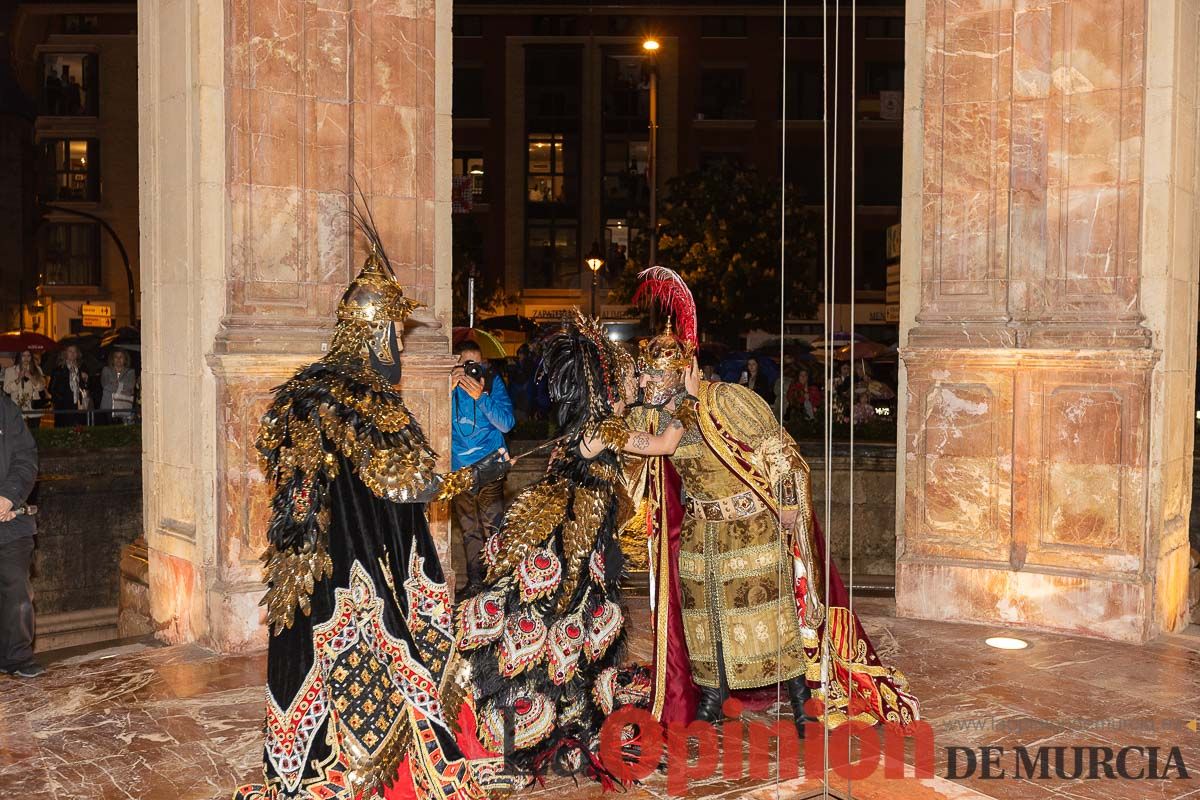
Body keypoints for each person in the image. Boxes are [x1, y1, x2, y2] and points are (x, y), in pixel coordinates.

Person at [234, 208, 513, 800]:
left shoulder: (303, 391)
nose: (399, 350)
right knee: (379, 673)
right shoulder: (368, 401)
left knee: (309, 667)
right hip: (359, 574)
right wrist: (478, 474)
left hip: (303, 578)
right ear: (378, 333)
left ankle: (302, 772)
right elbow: (410, 485)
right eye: (396, 335)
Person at [624, 267, 919, 737]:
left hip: (753, 531)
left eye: (654, 378)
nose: (647, 387)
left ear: (682, 372)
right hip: (702, 537)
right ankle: (714, 697)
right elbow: (643, 453)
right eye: (645, 379)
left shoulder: (728, 400)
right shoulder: (663, 416)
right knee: (705, 624)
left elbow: (781, 453)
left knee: (772, 621)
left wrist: (789, 508)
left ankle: (803, 697)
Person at [455, 311, 693, 784]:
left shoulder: (601, 425)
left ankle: (571, 697)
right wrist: (684, 396)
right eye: (631, 378)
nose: (638, 382)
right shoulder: (601, 428)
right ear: (607, 387)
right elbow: (665, 444)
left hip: (586, 540)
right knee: (554, 620)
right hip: (571, 543)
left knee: (581, 623)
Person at [451, 339, 515, 599]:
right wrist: (446, 387)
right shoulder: (449, 384)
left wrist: (482, 397)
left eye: (478, 364)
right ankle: (476, 582)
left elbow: (507, 424)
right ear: (456, 363)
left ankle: (497, 583)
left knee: (493, 526)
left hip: (489, 467)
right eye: (467, 364)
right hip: (460, 471)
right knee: (469, 529)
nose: (474, 370)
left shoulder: (491, 384)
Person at [0, 393, 42, 678]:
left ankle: (16, 656)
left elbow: (26, 458)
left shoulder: (5, 409)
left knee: (15, 586)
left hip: (10, 523)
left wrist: (7, 497)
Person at [49, 345, 90, 427]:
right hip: (63, 407)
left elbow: (86, 389)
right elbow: (51, 389)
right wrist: (62, 400)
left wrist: (85, 380)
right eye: (70, 351)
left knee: (78, 432)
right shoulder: (59, 370)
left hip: (78, 406)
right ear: (65, 354)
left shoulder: (81, 369)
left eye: (75, 351)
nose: (73, 353)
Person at [100, 349, 137, 424]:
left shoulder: (130, 372)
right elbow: (105, 385)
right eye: (116, 357)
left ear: (125, 359)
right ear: (112, 359)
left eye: (121, 357)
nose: (118, 359)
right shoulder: (106, 370)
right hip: (108, 407)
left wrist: (114, 384)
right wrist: (122, 387)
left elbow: (130, 386)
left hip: (124, 407)